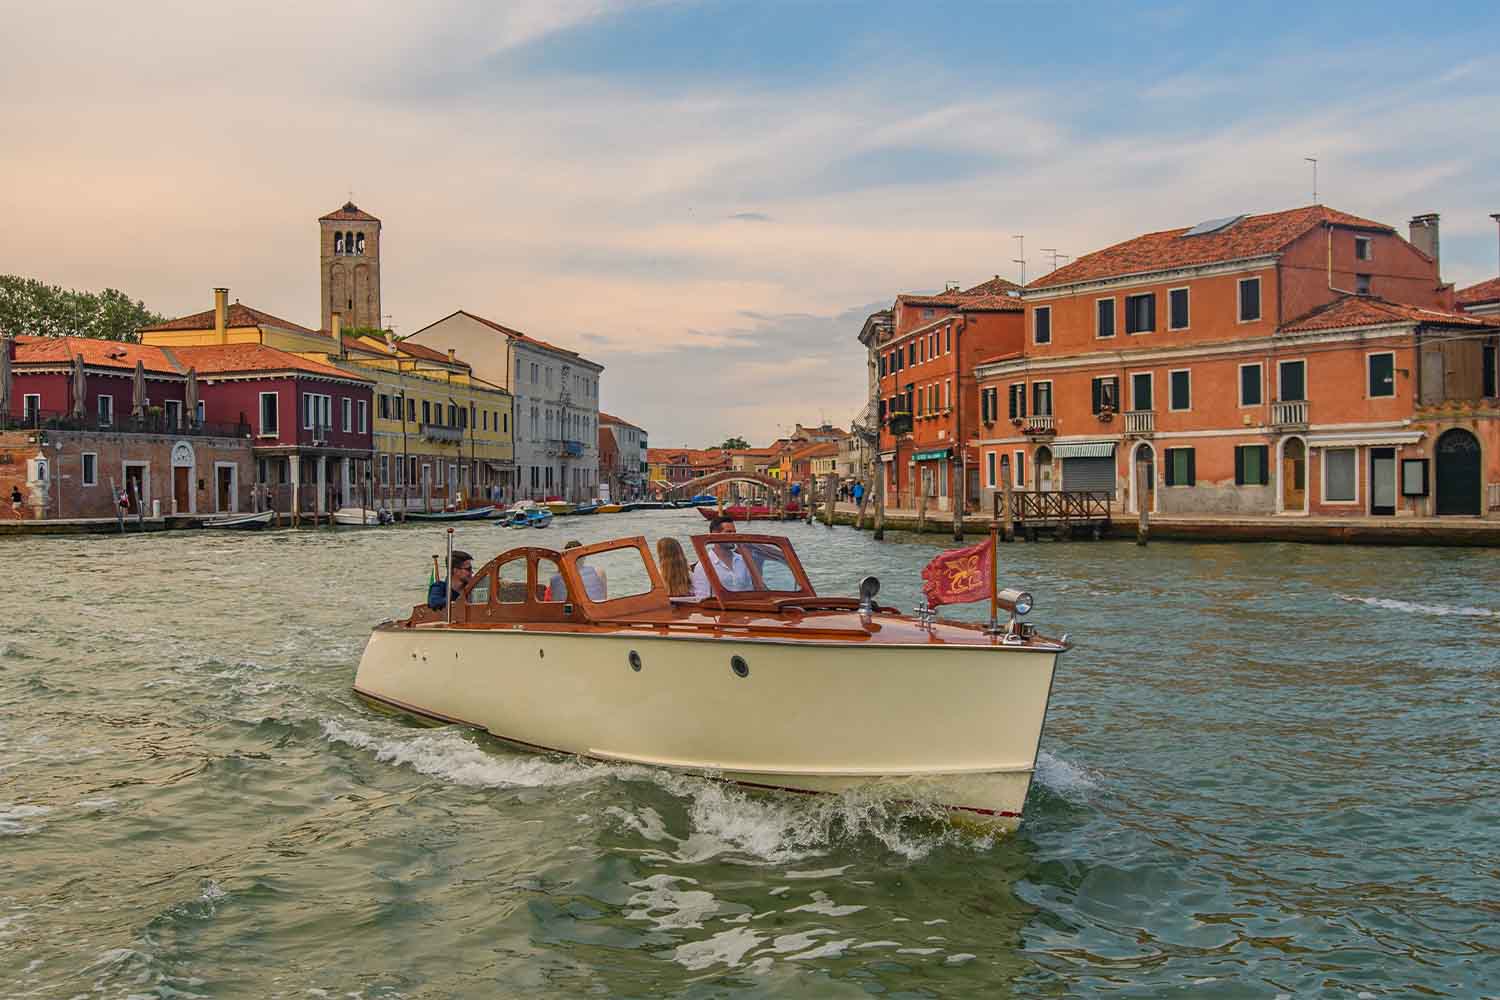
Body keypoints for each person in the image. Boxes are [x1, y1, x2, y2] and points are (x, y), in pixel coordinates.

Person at [691, 517, 753, 597]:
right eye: (729, 532)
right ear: (714, 534)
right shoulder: (703, 566)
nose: (733, 535)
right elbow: (702, 598)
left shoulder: (742, 561)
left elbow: (750, 590)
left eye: (734, 532)